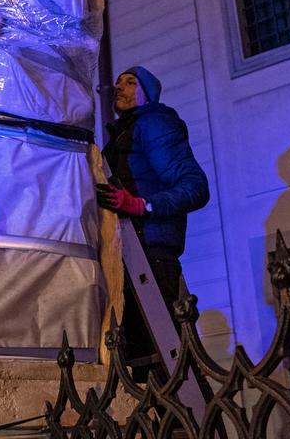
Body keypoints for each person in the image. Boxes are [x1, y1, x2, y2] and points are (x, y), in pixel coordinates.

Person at [96, 66, 209, 379]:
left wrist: (141, 204)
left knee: (166, 360)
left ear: (147, 92)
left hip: (151, 251)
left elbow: (194, 186)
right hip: (129, 252)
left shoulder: (155, 122)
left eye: (130, 83)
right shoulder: (123, 133)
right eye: (117, 82)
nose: (120, 87)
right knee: (141, 360)